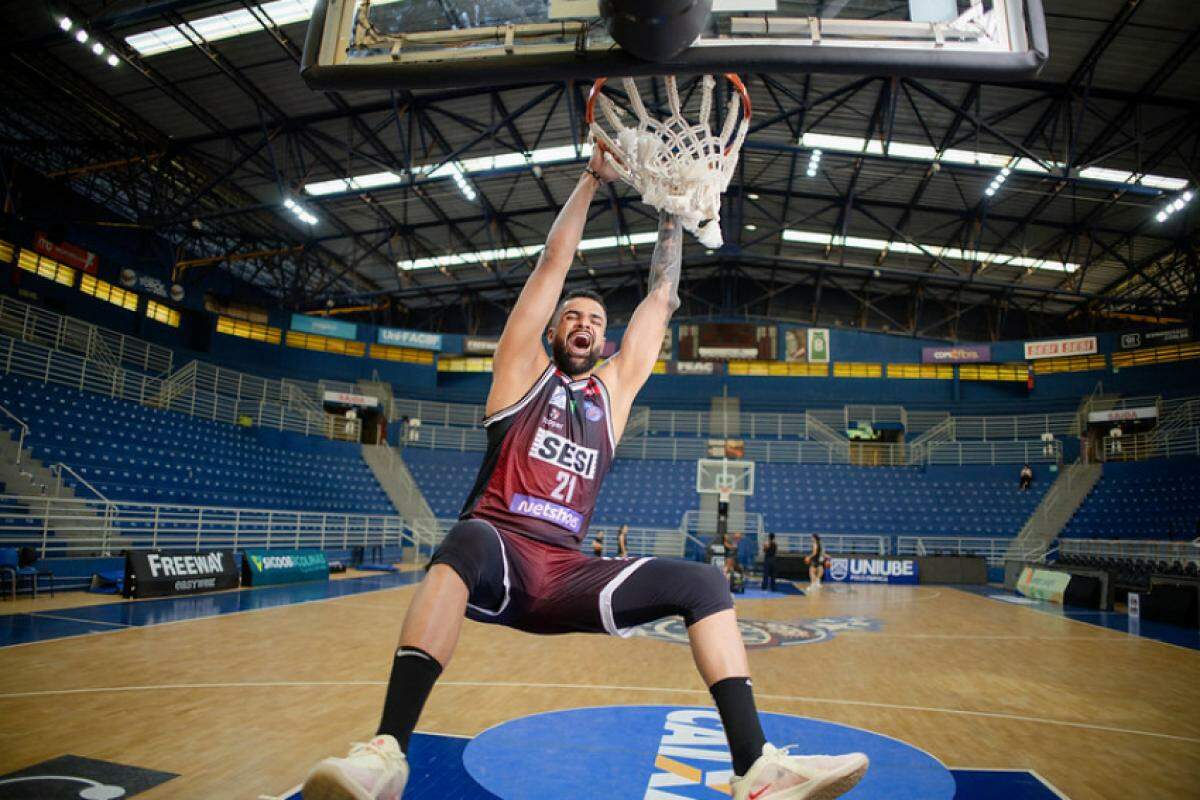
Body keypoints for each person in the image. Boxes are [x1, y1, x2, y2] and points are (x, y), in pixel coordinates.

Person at [300, 151, 867, 800]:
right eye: (573, 316)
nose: (585, 324)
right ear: (553, 330)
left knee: (705, 582)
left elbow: (662, 299)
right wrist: (593, 179)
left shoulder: (613, 395)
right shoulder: (520, 371)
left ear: (604, 341)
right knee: (466, 537)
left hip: (565, 571)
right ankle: (387, 753)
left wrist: (675, 213)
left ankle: (756, 768)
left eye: (596, 321)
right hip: (500, 554)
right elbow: (553, 264)